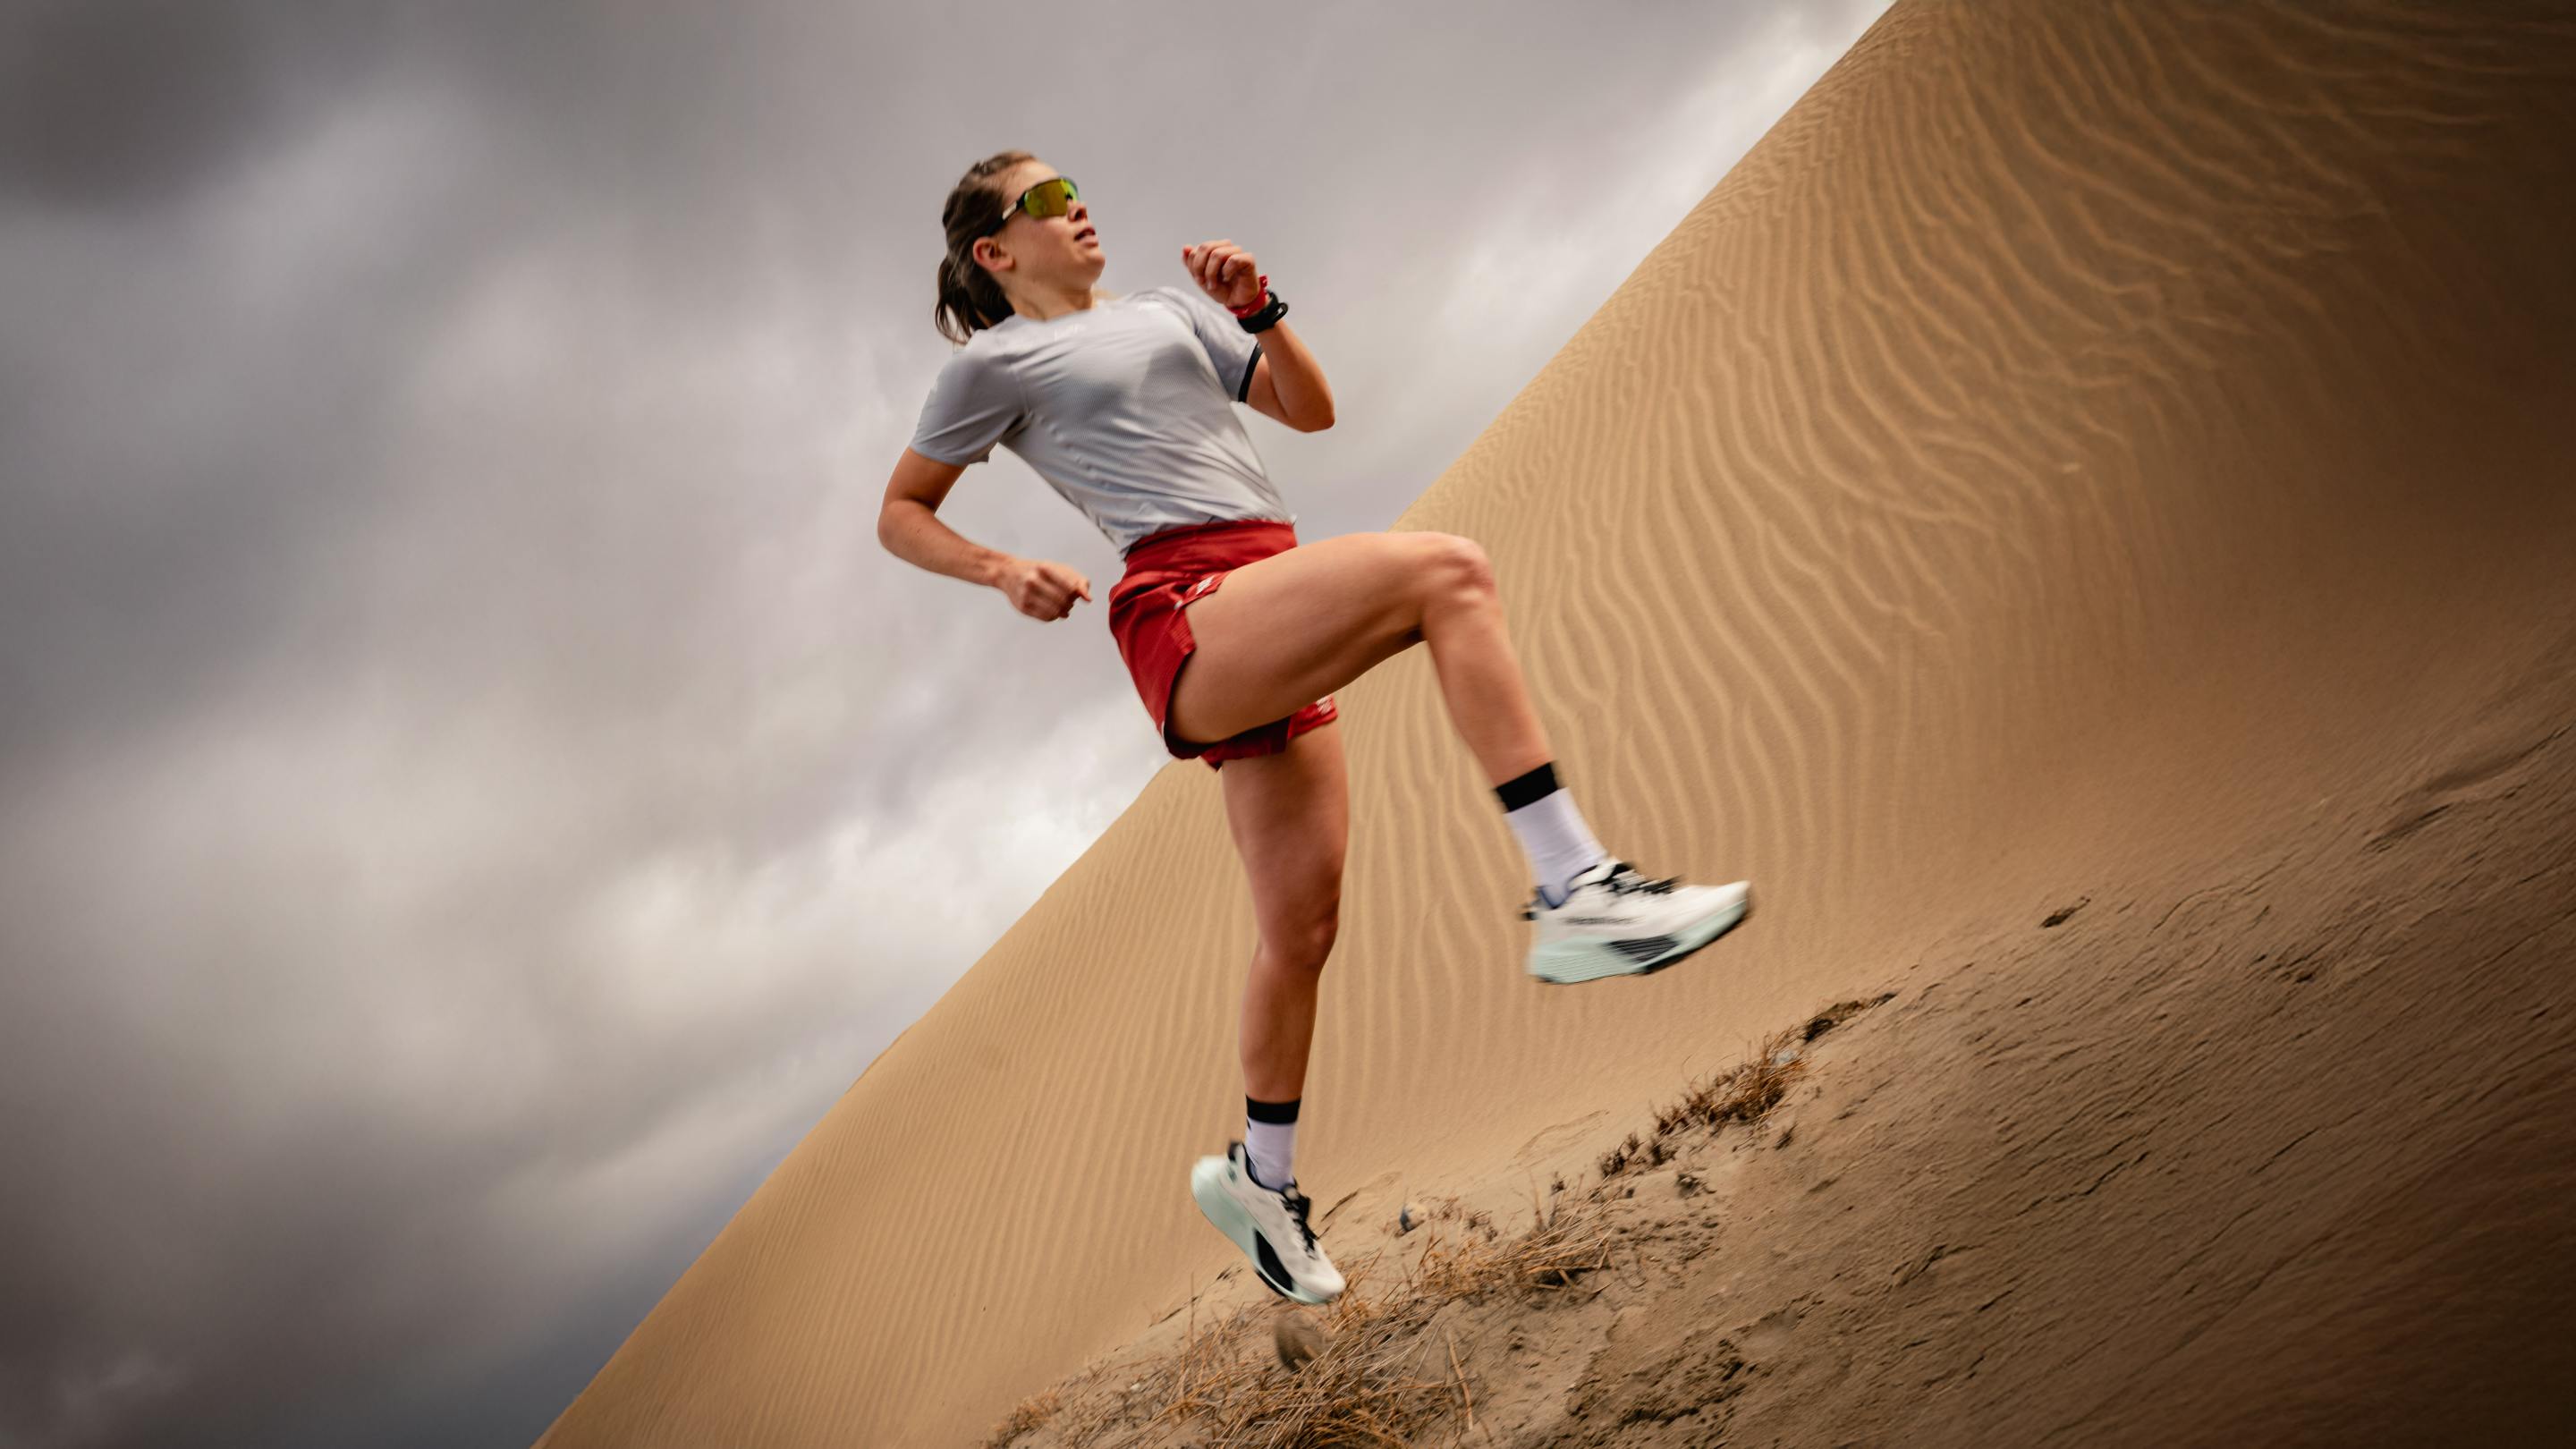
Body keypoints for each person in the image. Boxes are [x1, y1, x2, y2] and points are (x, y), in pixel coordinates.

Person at [881, 151, 1752, 1305]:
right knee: (1449, 572)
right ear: (995, 252)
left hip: (1264, 585)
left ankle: (1261, 1179)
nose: (1076, 205)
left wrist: (1258, 312)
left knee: (1302, 932)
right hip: (1185, 606)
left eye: (1075, 185)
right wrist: (998, 568)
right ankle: (1575, 887)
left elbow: (1311, 410)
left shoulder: (1162, 311)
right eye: (1042, 200)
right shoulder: (996, 362)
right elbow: (900, 511)